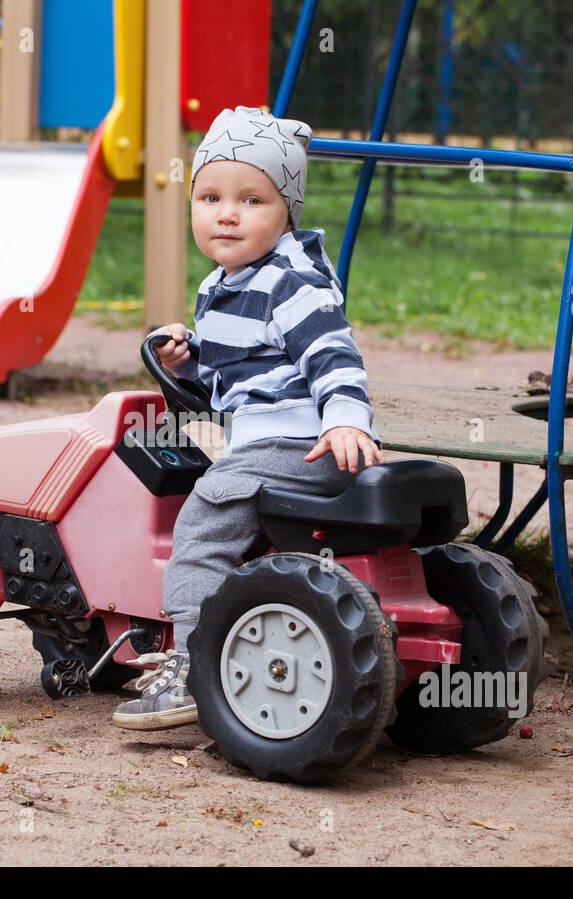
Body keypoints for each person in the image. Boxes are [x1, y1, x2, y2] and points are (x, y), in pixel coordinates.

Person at [113, 105, 383, 731]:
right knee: (225, 487)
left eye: (251, 199)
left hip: (300, 443)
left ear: (287, 210)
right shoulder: (225, 285)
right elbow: (233, 382)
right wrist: (187, 364)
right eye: (209, 196)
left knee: (202, 523)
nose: (226, 213)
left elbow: (332, 354)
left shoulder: (290, 280)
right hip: (273, 438)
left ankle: (190, 664)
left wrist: (346, 420)